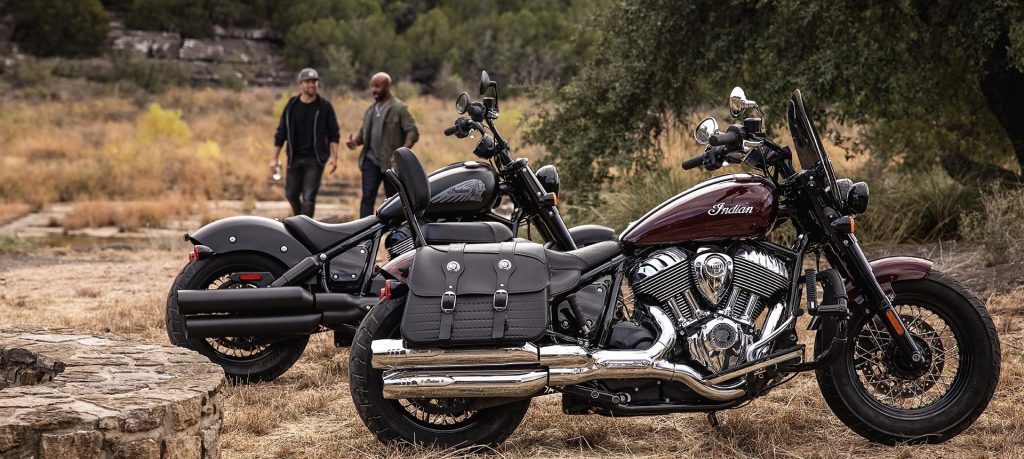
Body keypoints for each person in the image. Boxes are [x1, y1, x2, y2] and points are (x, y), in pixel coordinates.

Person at [345, 72, 420, 217]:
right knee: (367, 198)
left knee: (394, 201)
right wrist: (355, 142)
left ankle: (396, 235)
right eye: (372, 86)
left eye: (377, 86)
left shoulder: (399, 108)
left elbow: (413, 132)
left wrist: (401, 153)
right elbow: (363, 135)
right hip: (370, 161)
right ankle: (363, 234)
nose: (373, 90)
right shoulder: (370, 110)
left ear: (387, 86)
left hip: (390, 164)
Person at [271, 68, 340, 218]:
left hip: (315, 159)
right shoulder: (292, 106)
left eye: (314, 82)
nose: (312, 85)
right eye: (308, 82)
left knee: (309, 198)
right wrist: (274, 158)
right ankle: (300, 222)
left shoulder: (324, 107)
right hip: (294, 158)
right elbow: (281, 132)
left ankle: (304, 231)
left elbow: (334, 134)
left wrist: (334, 157)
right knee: (291, 194)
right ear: (300, 84)